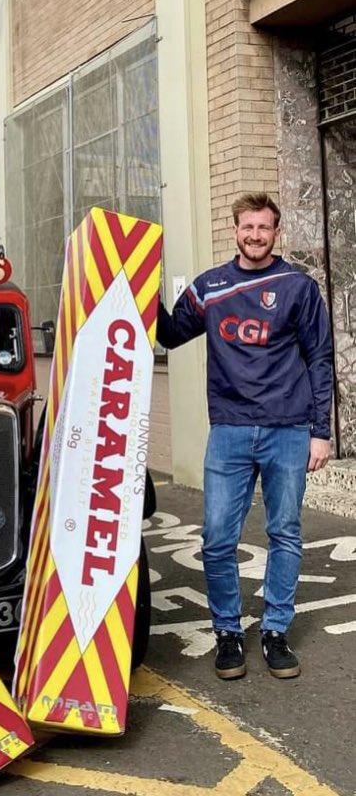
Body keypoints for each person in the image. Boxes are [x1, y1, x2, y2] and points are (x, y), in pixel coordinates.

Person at [157, 192, 333, 681]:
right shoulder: (211, 286)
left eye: (264, 228)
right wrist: (131, 285)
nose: (255, 235)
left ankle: (275, 630)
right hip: (230, 431)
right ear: (233, 230)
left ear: (276, 232)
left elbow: (320, 359)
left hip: (288, 430)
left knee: (285, 533)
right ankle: (228, 634)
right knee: (216, 538)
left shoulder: (298, 287)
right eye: (247, 227)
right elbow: (169, 334)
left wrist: (321, 433)